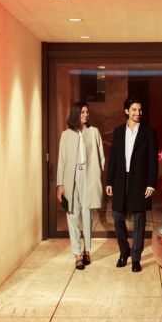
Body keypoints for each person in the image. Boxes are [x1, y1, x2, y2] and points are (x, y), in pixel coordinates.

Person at [105, 97, 158, 273]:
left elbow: (152, 161)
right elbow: (113, 159)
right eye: (134, 110)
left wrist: (151, 184)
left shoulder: (149, 133)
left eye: (140, 110)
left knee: (139, 220)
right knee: (117, 217)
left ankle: (136, 258)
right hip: (120, 180)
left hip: (140, 181)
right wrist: (109, 181)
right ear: (127, 111)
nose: (138, 113)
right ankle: (124, 251)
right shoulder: (119, 132)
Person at [56, 102, 105, 270]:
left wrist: (99, 174)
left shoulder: (93, 132)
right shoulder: (66, 135)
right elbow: (61, 161)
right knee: (72, 214)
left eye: (87, 112)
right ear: (76, 114)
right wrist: (60, 184)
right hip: (72, 178)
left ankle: (87, 251)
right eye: (82, 112)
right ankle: (77, 254)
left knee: (87, 214)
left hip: (89, 176)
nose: (86, 114)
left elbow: (101, 156)